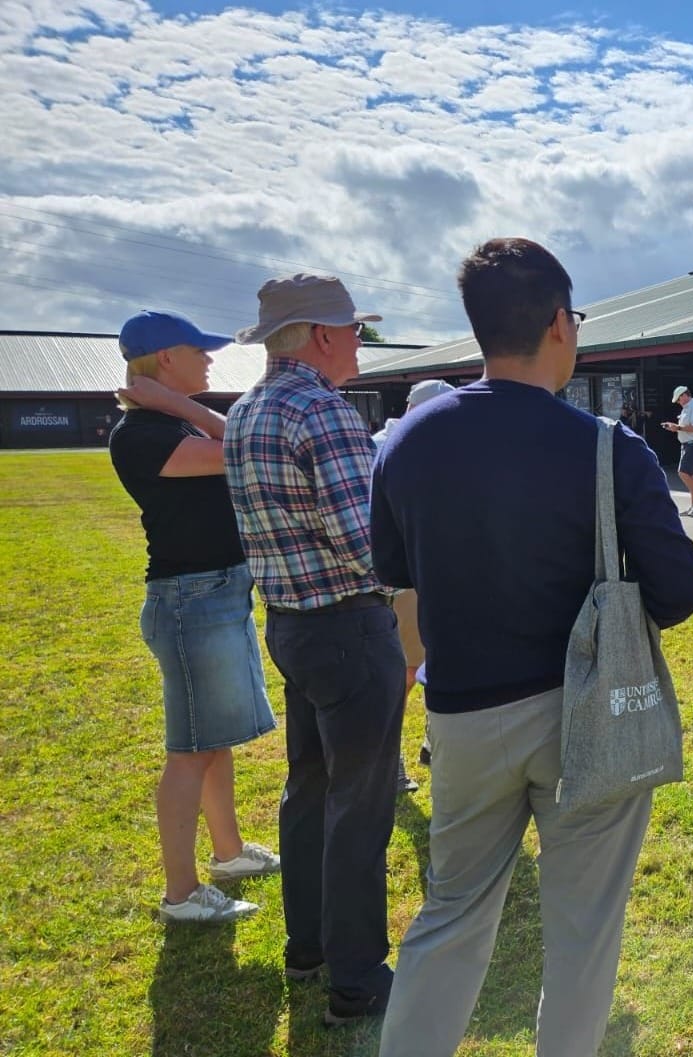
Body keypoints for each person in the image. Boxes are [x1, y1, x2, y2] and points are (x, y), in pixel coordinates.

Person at [371, 237, 693, 1057]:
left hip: (461, 718)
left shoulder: (408, 442)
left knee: (449, 915)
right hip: (584, 713)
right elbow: (683, 591)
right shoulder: (610, 448)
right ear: (560, 323)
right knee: (583, 930)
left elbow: (398, 577)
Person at [224, 274, 407, 1027]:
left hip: (291, 622)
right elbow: (366, 542)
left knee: (308, 789)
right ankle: (358, 978)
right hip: (349, 625)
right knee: (360, 808)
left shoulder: (243, 410)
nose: (360, 342)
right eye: (355, 330)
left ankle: (307, 946)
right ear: (325, 336)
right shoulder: (324, 412)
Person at [108, 310, 281, 925]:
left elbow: (234, 438)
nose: (209, 362)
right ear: (163, 361)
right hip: (192, 601)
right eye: (197, 351)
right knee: (191, 749)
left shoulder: (161, 421)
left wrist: (170, 402)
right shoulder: (141, 435)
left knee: (213, 740)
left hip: (214, 594)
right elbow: (244, 448)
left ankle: (228, 853)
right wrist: (173, 406)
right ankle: (180, 894)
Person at [373, 377, 457, 794]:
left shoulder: (397, 443)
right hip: (406, 576)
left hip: (431, 574)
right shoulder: (392, 448)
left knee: (430, 663)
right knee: (407, 671)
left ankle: (431, 746)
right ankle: (391, 765)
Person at [662, 383, 693, 516]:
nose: (678, 402)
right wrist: (675, 427)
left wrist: (678, 428)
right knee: (691, 475)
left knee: (683, 472)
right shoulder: (687, 408)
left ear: (685, 395)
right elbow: (685, 427)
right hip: (688, 444)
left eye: (679, 399)